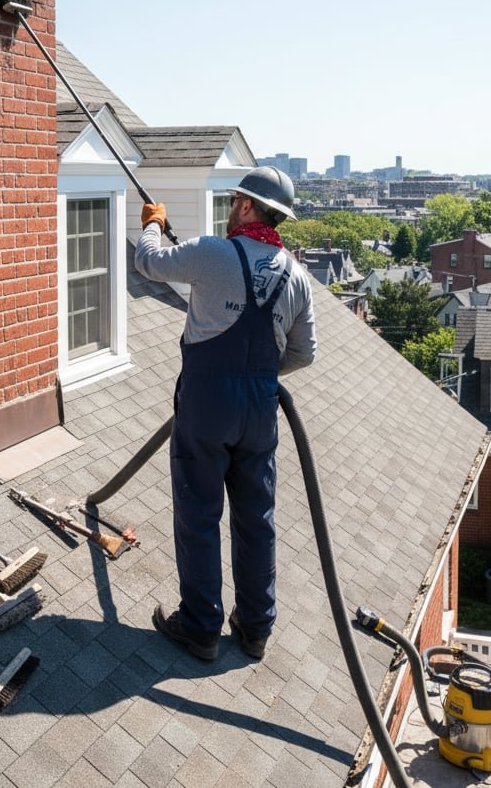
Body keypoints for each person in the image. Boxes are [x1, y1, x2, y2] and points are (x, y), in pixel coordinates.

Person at [134, 166, 317, 662]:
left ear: (246, 207)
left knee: (199, 514)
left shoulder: (213, 252)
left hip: (207, 403)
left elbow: (149, 263)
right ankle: (255, 628)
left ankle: (201, 627)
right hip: (260, 408)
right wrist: (255, 372)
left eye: (236, 200)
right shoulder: (298, 276)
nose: (231, 207)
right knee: (257, 518)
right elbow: (304, 353)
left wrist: (153, 222)